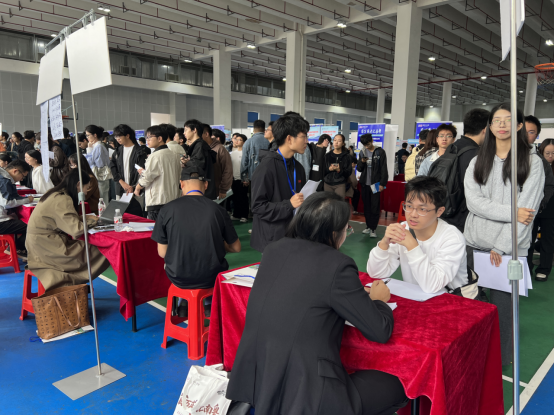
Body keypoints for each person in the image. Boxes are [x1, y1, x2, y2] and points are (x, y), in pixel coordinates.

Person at [227, 192, 408, 415]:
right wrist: (379, 301)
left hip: (259, 378)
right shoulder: (338, 264)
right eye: (347, 229)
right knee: (399, 384)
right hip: (307, 391)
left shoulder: (274, 249)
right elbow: (380, 331)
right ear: (334, 233)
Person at [464, 103, 545, 366]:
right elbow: (473, 203)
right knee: (471, 305)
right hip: (473, 244)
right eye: (496, 120)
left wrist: (500, 246)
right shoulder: (478, 160)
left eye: (508, 120)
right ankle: (471, 354)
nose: (501, 124)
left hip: (508, 251)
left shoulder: (532, 163)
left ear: (519, 125)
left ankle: (498, 362)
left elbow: (527, 212)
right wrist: (513, 211)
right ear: (489, 126)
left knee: (504, 313)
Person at [152, 165, 241, 317]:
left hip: (179, 276)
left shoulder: (166, 210)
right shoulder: (218, 210)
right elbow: (236, 247)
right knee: (212, 268)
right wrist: (217, 243)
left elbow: (162, 253)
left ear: (181, 184)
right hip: (211, 276)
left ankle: (183, 302)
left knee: (175, 263)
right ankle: (209, 302)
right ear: (206, 184)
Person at [368, 176, 469, 294]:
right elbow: (376, 273)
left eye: (422, 209)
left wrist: (412, 245)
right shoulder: (403, 229)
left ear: (439, 211)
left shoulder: (452, 238)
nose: (413, 214)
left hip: (452, 300)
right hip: (417, 297)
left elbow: (433, 286)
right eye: (409, 206)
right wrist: (384, 244)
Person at [26, 169, 110, 291]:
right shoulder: (62, 199)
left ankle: (74, 283)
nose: (86, 192)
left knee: (86, 248)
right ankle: (74, 281)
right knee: (101, 249)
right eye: (86, 188)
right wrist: (93, 221)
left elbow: (62, 219)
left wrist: (83, 218)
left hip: (40, 244)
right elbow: (76, 230)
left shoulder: (54, 193)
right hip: (47, 247)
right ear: (78, 184)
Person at [250, 114, 308, 253]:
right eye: (303, 137)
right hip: (273, 238)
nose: (307, 141)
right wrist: (289, 204)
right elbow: (258, 207)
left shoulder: (298, 167)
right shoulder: (267, 167)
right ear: (289, 139)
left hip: (294, 234)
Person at [443, 109, 490, 233]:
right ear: (485, 130)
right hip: (464, 219)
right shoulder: (476, 155)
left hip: (446, 212)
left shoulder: (452, 147)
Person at [135, 125, 182, 220]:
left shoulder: (155, 156)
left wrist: (137, 187)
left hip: (157, 201)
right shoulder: (174, 154)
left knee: (156, 228)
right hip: (173, 199)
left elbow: (147, 178)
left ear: (159, 138)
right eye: (146, 137)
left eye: (149, 137)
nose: (147, 140)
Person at [528, 139, 554, 282]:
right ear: (541, 151)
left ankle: (544, 269)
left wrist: (543, 203)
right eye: (547, 153)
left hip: (550, 209)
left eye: (553, 153)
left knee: (547, 240)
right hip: (532, 207)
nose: (550, 156)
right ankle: (527, 267)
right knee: (529, 239)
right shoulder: (535, 163)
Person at [110, 124, 147, 217]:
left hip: (136, 191)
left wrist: (133, 187)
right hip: (121, 188)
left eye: (119, 136)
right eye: (116, 136)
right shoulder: (118, 151)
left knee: (136, 217)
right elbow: (113, 167)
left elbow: (142, 172)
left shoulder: (139, 151)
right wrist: (122, 182)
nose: (117, 139)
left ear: (127, 135)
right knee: (121, 216)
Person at [357, 133, 388, 237]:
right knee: (366, 206)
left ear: (372, 141)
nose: (366, 146)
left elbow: (384, 169)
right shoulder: (362, 152)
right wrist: (362, 161)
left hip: (376, 184)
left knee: (375, 207)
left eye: (368, 144)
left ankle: (373, 229)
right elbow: (359, 169)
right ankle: (368, 226)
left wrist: (382, 184)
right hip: (365, 184)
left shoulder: (380, 152)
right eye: (364, 145)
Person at [0, 159, 33, 257]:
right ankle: (18, 249)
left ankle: (15, 248)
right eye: (22, 176)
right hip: (1, 222)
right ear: (15, 171)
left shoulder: (4, 178)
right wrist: (27, 200)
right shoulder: (4, 181)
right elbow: (7, 203)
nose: (21, 179)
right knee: (33, 226)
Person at [525, 115, 554, 214]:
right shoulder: (502, 154)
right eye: (523, 131)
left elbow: (549, 185)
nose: (525, 135)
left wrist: (539, 205)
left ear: (536, 136)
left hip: (532, 212)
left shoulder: (540, 161)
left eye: (531, 132)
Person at [182, 119, 217, 200]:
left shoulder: (199, 146)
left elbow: (197, 166)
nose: (184, 133)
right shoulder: (199, 145)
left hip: (200, 190)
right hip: (202, 189)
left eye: (186, 130)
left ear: (194, 130)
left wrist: (187, 163)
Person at [85, 125, 111, 203]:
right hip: (100, 178)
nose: (87, 137)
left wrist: (89, 150)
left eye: (88, 135)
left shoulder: (98, 147)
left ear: (95, 135)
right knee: (103, 200)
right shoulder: (98, 146)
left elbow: (93, 164)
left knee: (102, 201)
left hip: (100, 177)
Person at [241, 120, 269, 185]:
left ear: (253, 129)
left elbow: (244, 162)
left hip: (253, 176)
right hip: (268, 176)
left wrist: (244, 178)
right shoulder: (269, 141)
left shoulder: (248, 142)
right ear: (264, 130)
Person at [323, 133, 352, 198]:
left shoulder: (346, 156)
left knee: (339, 202)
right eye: (335, 140)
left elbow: (348, 172)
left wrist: (339, 170)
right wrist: (329, 169)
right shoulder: (327, 155)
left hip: (340, 184)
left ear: (343, 143)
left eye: (339, 141)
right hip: (327, 184)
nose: (336, 142)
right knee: (328, 203)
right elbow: (322, 170)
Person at [208, 129, 233, 200]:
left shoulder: (220, 149)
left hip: (217, 189)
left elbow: (227, 170)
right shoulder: (205, 148)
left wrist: (223, 189)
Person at [229, 134, 249, 222]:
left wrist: (246, 179)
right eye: (236, 139)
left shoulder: (246, 153)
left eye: (239, 140)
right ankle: (236, 214)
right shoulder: (232, 153)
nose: (236, 141)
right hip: (234, 179)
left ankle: (244, 215)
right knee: (235, 197)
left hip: (243, 179)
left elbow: (248, 167)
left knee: (243, 198)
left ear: (244, 142)